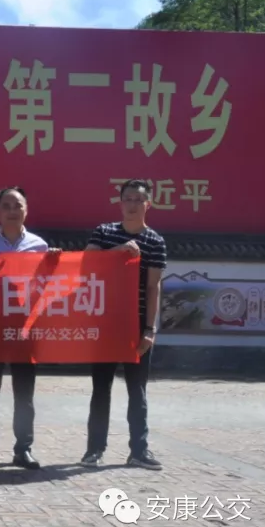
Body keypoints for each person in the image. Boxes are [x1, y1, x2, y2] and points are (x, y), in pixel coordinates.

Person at [81, 179, 167, 470]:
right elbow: (86, 263)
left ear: (148, 204)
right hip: (105, 322)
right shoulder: (104, 232)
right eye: (127, 198)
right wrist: (117, 251)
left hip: (136, 325)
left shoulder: (155, 241)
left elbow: (153, 287)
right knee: (100, 389)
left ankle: (139, 451)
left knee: (137, 391)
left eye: (138, 199)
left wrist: (149, 330)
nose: (132, 204)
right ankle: (94, 450)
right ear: (120, 203)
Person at [0, 186, 58, 470]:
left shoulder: (40, 246)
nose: (12, 211)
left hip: (25, 328)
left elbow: (49, 286)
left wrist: (55, 263)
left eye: (17, 205)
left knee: (24, 393)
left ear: (26, 210)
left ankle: (23, 449)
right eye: (6, 206)